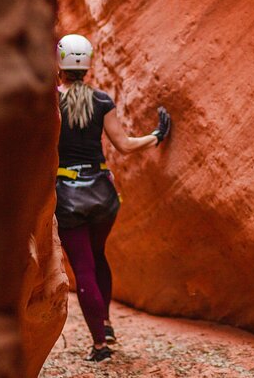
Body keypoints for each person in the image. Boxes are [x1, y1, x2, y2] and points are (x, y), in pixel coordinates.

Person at [54, 34, 171, 362]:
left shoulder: (51, 102)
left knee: (83, 268)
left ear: (59, 65)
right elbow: (124, 144)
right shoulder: (101, 100)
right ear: (88, 65)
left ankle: (100, 347)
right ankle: (105, 325)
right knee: (98, 254)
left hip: (68, 197)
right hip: (103, 194)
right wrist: (157, 135)